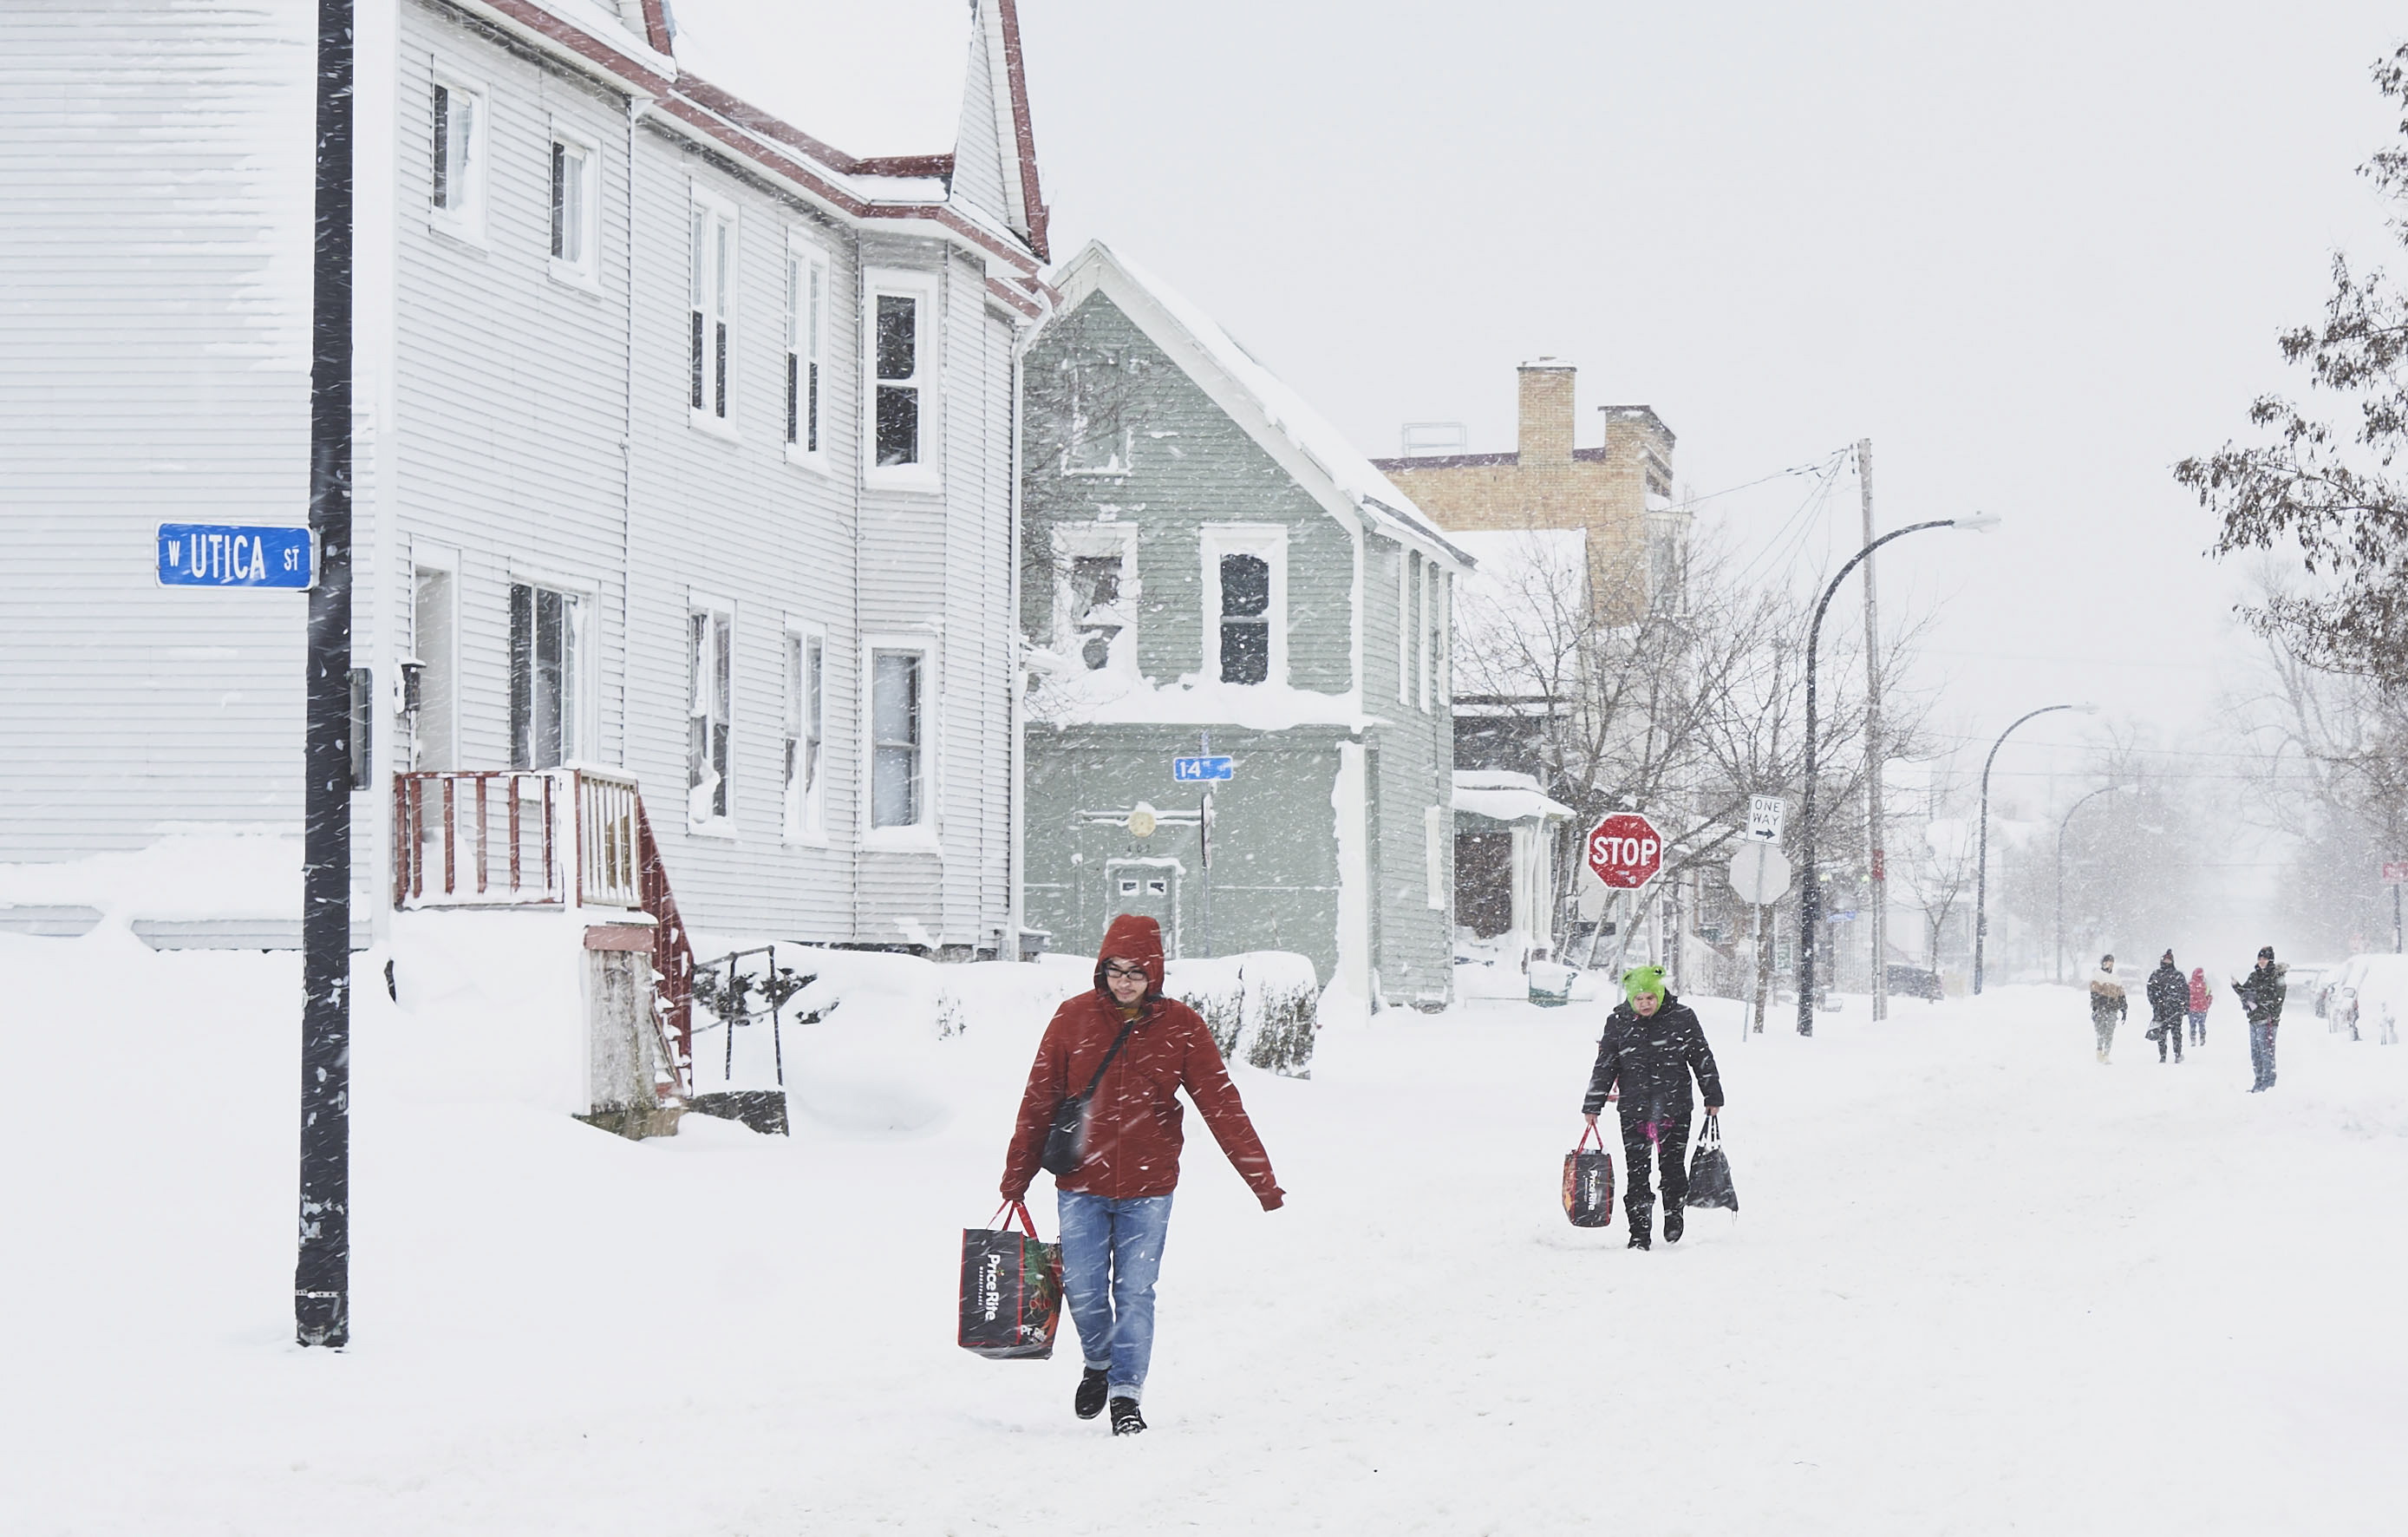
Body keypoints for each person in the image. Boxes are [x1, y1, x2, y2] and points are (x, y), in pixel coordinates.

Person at [1000, 914, 1283, 1436]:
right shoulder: (1073, 1019)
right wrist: (1017, 1173)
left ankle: (1126, 1394)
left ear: (1154, 972)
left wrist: (1260, 1181)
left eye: (1135, 971)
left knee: (1135, 1292)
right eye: (1114, 970)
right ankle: (1100, 1363)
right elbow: (1039, 1099)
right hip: (1081, 1181)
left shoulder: (1182, 1026)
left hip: (1150, 1187)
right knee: (1083, 1288)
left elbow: (1222, 1106)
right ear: (1101, 970)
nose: (1125, 981)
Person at [1581, 965, 1724, 1251]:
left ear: (1659, 994)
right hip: (1634, 1110)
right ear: (1631, 999)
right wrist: (1593, 1103)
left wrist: (1713, 1096)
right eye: (1639, 999)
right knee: (1637, 1173)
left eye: (1650, 997)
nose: (1645, 1004)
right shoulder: (1619, 1021)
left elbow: (1702, 1058)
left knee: (1672, 1168)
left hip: (1675, 1107)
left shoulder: (1682, 1018)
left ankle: (1673, 1213)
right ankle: (1639, 1232)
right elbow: (1606, 1065)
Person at [2233, 945, 2287, 1092]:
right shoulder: (2254, 976)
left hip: (2268, 1021)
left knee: (2267, 1053)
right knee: (2256, 1054)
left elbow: (2279, 999)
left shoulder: (2277, 976)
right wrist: (2236, 986)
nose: (2261, 961)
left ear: (2270, 960)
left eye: (2264, 958)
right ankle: (2258, 1082)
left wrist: (2269, 1013)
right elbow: (2245, 992)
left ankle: (2268, 1084)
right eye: (2260, 958)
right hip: (2254, 1020)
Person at [2144, 951, 2188, 1064]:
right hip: (2161, 1009)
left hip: (2176, 1009)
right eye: (2165, 959)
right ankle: (2162, 1055)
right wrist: (2156, 1003)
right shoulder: (2156, 974)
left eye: (2169, 960)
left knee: (2177, 1033)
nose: (2167, 962)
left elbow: (2185, 992)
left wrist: (2184, 1005)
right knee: (2161, 1033)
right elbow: (2151, 991)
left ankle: (2177, 1054)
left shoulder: (2178, 975)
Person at [2088, 954, 2127, 1063]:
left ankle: (2106, 1055)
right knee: (2100, 1031)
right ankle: (2099, 1050)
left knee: (2110, 1031)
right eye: (2108, 961)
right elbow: (2094, 991)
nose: (2110, 964)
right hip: (2101, 1008)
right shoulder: (2098, 975)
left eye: (2112, 962)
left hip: (2113, 1008)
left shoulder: (2116, 977)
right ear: (2103, 962)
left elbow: (2121, 994)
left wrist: (2124, 1007)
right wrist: (2097, 1005)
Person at [2187, 965, 2212, 1048]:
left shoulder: (2189, 984)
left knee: (2192, 1025)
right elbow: (2208, 995)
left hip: (2192, 1009)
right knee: (2202, 1024)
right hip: (2202, 1008)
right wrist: (2207, 1005)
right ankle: (2202, 1038)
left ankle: (2193, 1039)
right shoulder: (2205, 984)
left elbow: (2186, 996)